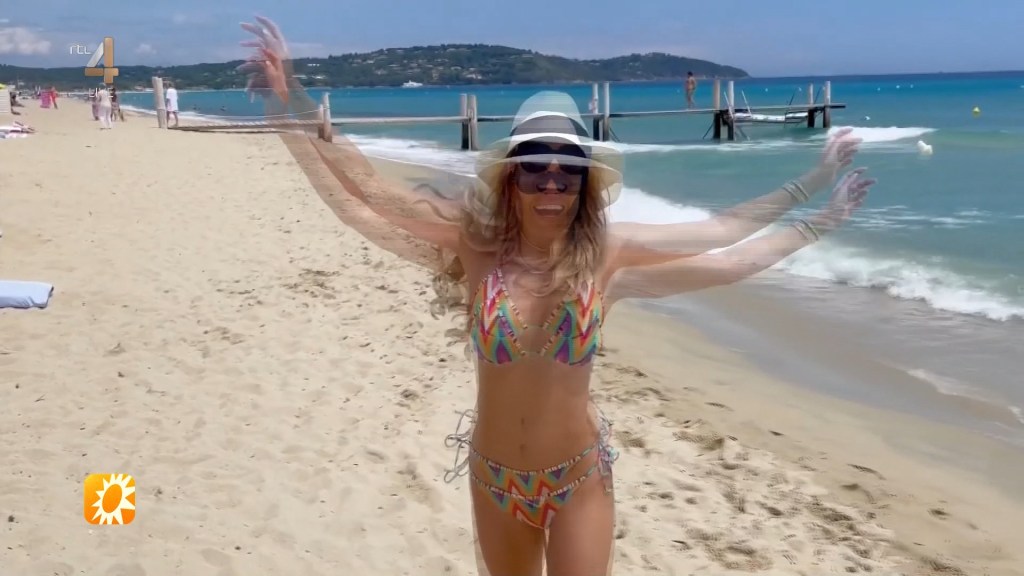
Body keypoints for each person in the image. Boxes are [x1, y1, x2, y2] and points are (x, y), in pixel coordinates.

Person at [239, 16, 873, 576]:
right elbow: (366, 196)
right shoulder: (473, 247)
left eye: (567, 171)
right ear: (511, 179)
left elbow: (727, 243)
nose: (551, 183)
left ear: (584, 184)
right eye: (535, 168)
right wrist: (289, 99)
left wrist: (820, 199)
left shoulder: (609, 256)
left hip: (578, 481)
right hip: (493, 480)